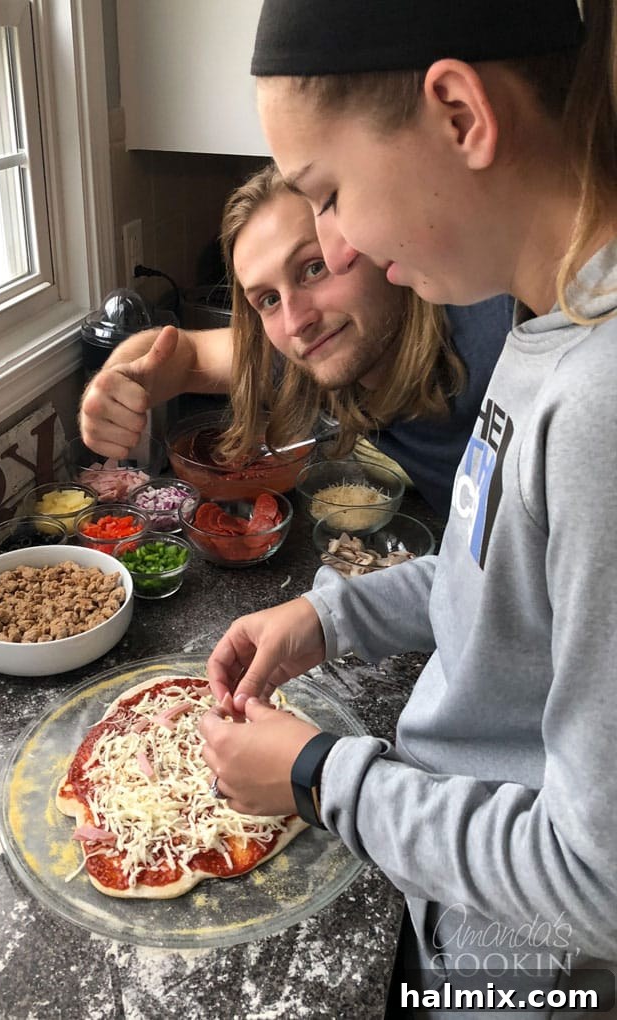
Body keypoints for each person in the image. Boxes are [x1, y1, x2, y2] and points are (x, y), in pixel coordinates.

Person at [199, 0, 617, 1016]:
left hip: (520, 978)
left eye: (329, 193)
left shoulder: (600, 404)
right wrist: (329, 614)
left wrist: (316, 777)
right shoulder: (546, 329)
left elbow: (595, 886)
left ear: (458, 114)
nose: (336, 239)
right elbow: (502, 581)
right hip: (455, 897)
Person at [80, 164, 513, 518]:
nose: (296, 321)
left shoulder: (496, 337)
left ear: (370, 243)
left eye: (313, 269)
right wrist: (118, 381)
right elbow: (179, 355)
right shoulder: (312, 351)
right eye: (268, 299)